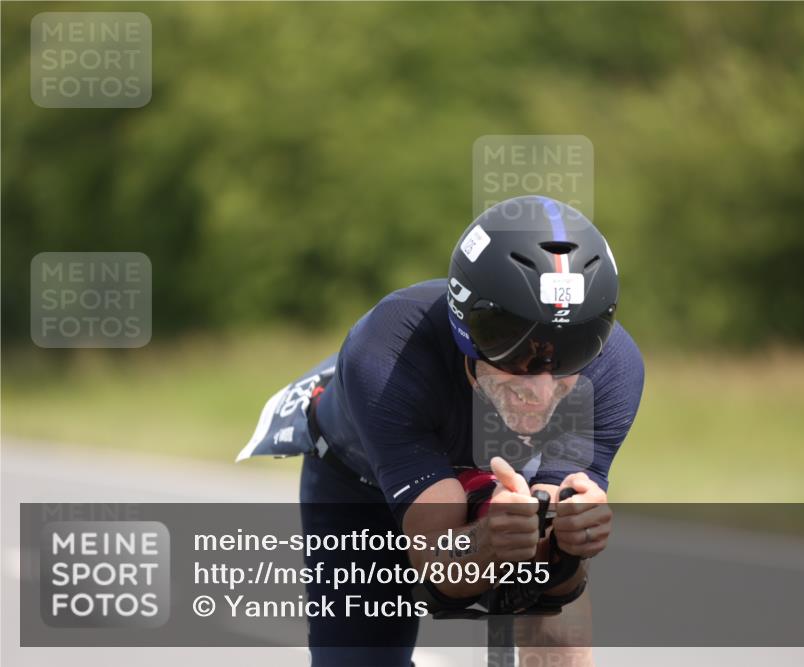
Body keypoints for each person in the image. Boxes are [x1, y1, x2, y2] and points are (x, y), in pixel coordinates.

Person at [238, 195, 644, 666]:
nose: (540, 387)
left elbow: (556, 584)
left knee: (559, 641)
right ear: (467, 328)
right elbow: (441, 575)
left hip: (499, 472)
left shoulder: (613, 369)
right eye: (512, 350)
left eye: (573, 351)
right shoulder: (386, 353)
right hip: (363, 486)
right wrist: (488, 541)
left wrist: (571, 544)